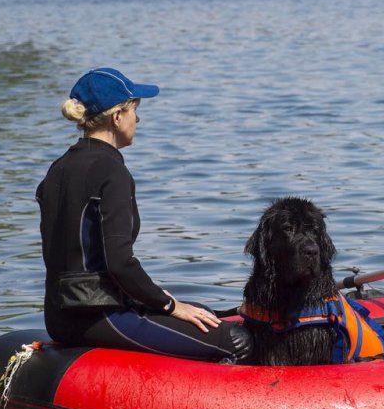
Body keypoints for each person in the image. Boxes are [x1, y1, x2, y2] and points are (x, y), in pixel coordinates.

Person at [37, 67, 253, 362]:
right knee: (236, 339)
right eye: (134, 111)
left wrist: (166, 301)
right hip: (100, 317)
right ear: (117, 117)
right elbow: (120, 263)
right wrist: (169, 306)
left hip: (60, 317)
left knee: (205, 311)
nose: (137, 119)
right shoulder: (112, 172)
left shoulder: (58, 169)